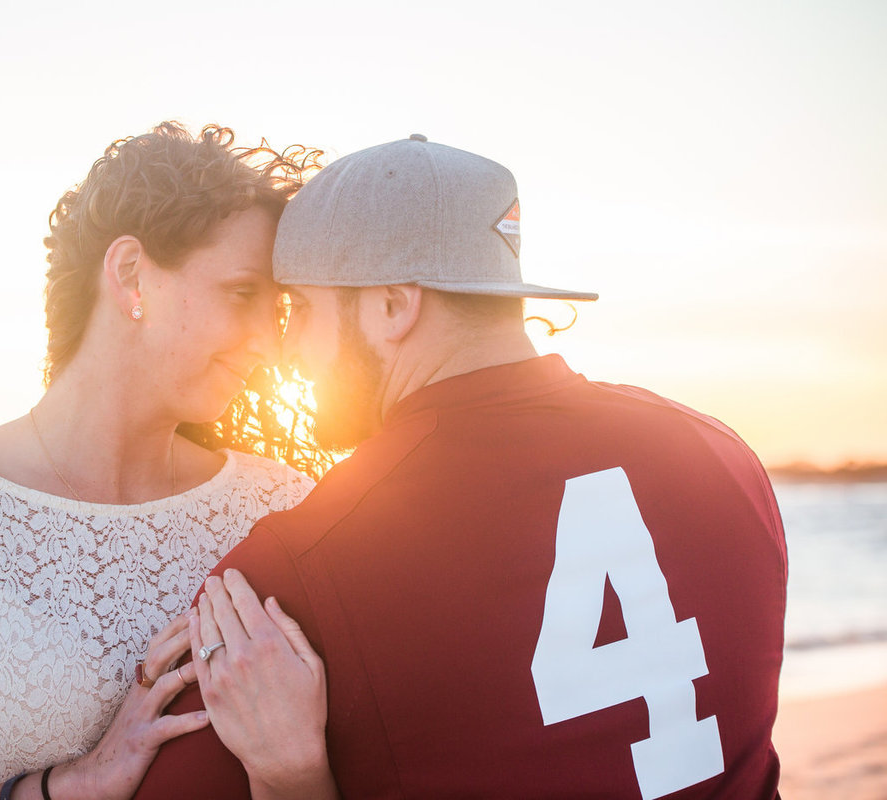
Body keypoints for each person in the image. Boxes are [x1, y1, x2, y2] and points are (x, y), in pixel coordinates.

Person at [135, 134, 787, 798]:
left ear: (393, 305)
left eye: (299, 310)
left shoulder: (294, 573)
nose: (283, 351)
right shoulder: (723, 458)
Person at [0, 122, 330, 800]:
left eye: (278, 311)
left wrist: (302, 773)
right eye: (244, 294)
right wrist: (69, 786)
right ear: (131, 274)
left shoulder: (282, 505)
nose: (267, 346)